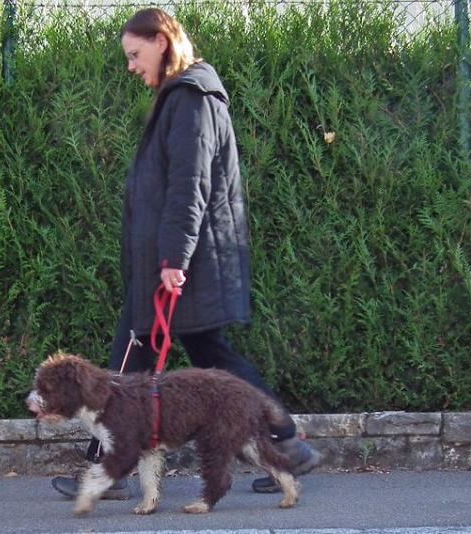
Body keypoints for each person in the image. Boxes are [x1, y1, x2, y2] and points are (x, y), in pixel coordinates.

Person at [51, 7, 321, 499]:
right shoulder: (184, 97)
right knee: (203, 355)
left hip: (178, 263)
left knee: (131, 361)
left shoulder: (191, 99)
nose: (131, 66)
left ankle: (108, 472)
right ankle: (287, 443)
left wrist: (174, 258)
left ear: (161, 41)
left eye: (135, 54)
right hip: (178, 260)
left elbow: (189, 185)